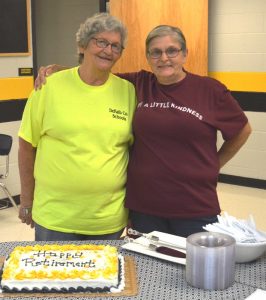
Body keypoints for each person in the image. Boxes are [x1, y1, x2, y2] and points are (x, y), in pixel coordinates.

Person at [35, 25, 251, 238]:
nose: (164, 58)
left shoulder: (210, 90)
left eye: (172, 51)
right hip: (145, 208)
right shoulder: (139, 83)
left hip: (195, 206)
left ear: (185, 54)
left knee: (195, 270)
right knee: (145, 270)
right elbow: (98, 73)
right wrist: (58, 69)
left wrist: (215, 164)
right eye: (155, 52)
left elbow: (242, 131)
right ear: (148, 58)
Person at [18, 13, 136, 241]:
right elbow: (26, 145)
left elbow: (133, 153)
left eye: (116, 46)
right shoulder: (49, 86)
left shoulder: (128, 91)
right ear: (82, 45)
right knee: (53, 276)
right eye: (100, 42)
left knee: (105, 277)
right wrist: (26, 200)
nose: (108, 50)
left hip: (107, 220)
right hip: (55, 218)